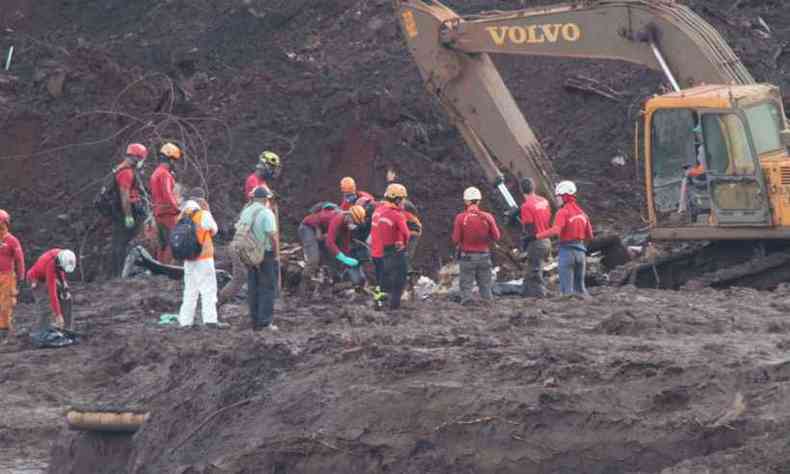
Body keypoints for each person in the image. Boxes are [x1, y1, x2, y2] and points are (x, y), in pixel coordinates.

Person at [537, 180, 594, 297]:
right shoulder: (583, 214)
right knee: (581, 289)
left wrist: (537, 236)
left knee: (566, 291)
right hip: (581, 254)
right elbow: (590, 236)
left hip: (567, 253)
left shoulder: (562, 212)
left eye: (558, 196)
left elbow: (556, 230)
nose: (556, 199)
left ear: (564, 196)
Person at [238, 187, 280, 332]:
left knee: (253, 286)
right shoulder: (266, 213)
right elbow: (272, 236)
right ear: (265, 199)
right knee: (267, 287)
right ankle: (265, 322)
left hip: (249, 254)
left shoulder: (246, 211)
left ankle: (255, 322)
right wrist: (276, 254)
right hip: (264, 253)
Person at [452, 186, 501, 305]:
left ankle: (468, 308)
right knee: (485, 287)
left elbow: (455, 239)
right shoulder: (487, 217)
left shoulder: (461, 218)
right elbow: (497, 237)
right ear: (479, 201)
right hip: (484, 256)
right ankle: (488, 307)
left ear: (466, 201)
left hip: (467, 257)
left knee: (466, 287)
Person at [177, 200, 222, 328]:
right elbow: (214, 230)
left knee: (190, 291)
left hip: (188, 260)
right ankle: (210, 320)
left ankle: (185, 321)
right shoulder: (203, 215)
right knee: (208, 290)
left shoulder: (181, 218)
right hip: (204, 259)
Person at [112, 143, 149, 277]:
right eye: (142, 159)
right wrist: (128, 216)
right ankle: (120, 273)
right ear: (137, 157)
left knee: (120, 241)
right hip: (127, 212)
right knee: (124, 242)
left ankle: (119, 272)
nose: (142, 162)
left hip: (121, 211)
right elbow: (124, 195)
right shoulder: (126, 173)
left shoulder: (120, 169)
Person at [372, 184, 411, 309]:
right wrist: (403, 244)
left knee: (382, 279)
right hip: (392, 251)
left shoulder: (378, 211)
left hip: (378, 251)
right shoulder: (397, 214)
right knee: (399, 278)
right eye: (403, 199)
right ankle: (394, 306)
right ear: (397, 199)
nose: (404, 201)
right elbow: (406, 233)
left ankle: (378, 303)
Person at [297, 205, 341, 297]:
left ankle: (324, 284)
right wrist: (318, 231)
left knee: (328, 257)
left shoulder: (342, 222)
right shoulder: (331, 216)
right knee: (314, 259)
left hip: (319, 228)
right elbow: (316, 220)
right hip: (307, 227)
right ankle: (303, 286)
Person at [26, 249, 76, 331]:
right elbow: (52, 294)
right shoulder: (50, 265)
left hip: (48, 275)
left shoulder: (62, 255)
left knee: (67, 298)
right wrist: (58, 315)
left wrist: (64, 284)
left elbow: (60, 270)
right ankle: (41, 332)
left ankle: (66, 329)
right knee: (45, 307)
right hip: (35, 279)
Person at [519, 177, 552, 298]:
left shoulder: (526, 206)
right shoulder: (544, 201)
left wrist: (524, 244)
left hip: (537, 243)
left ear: (521, 190)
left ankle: (540, 297)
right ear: (534, 187)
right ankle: (527, 295)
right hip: (547, 240)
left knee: (534, 273)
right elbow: (547, 218)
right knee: (535, 271)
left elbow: (530, 229)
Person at [150, 143, 182, 264]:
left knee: (161, 242)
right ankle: (167, 267)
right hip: (168, 213)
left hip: (158, 211)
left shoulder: (156, 172)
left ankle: (159, 266)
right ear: (171, 159)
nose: (176, 164)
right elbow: (168, 194)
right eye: (175, 160)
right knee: (172, 241)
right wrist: (177, 208)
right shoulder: (165, 174)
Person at [325, 205, 367, 286]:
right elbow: (329, 243)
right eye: (353, 221)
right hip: (310, 228)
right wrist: (344, 258)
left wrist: (347, 256)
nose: (353, 224)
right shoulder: (338, 219)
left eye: (355, 223)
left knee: (338, 250)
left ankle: (340, 277)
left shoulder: (346, 223)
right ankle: (330, 278)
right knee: (327, 252)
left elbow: (345, 242)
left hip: (328, 229)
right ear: (349, 215)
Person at [0, 210, 24, 337]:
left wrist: (21, 276)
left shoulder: (12, 240)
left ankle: (4, 329)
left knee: (6, 303)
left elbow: (20, 259)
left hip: (7, 275)